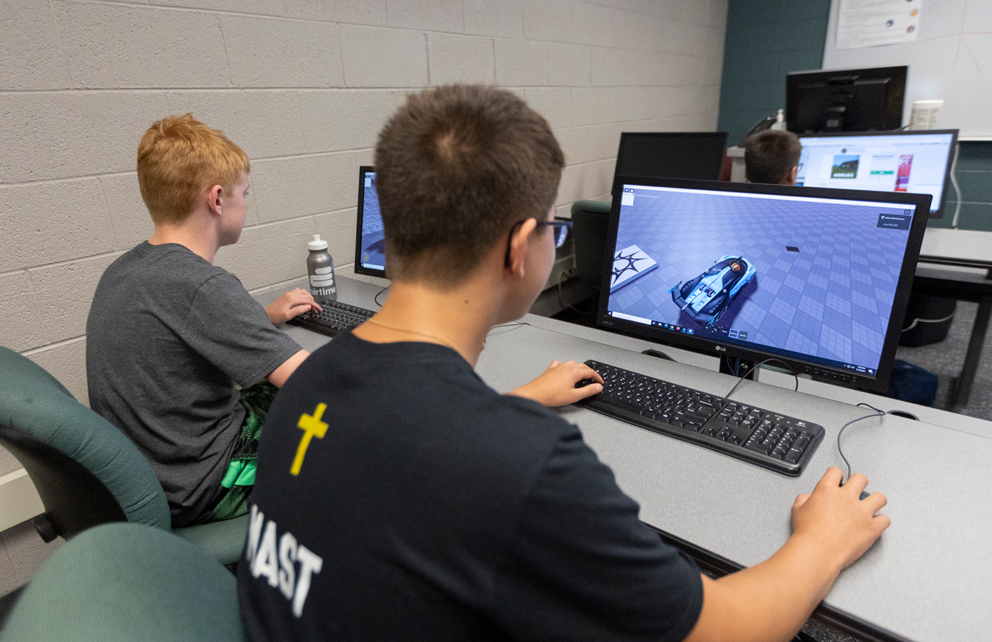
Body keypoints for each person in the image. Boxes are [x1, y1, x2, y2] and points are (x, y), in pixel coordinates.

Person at [237, 85, 889, 642]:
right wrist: (824, 538)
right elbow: (726, 628)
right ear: (520, 247)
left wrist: (502, 409)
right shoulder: (523, 464)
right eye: (554, 226)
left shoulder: (311, 376)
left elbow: (403, 456)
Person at [86, 114, 320, 527]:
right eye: (243, 194)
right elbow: (318, 383)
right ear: (216, 199)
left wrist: (261, 318)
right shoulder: (201, 285)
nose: (246, 204)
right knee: (340, 430)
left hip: (160, 471)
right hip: (206, 484)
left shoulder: (125, 270)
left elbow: (177, 336)